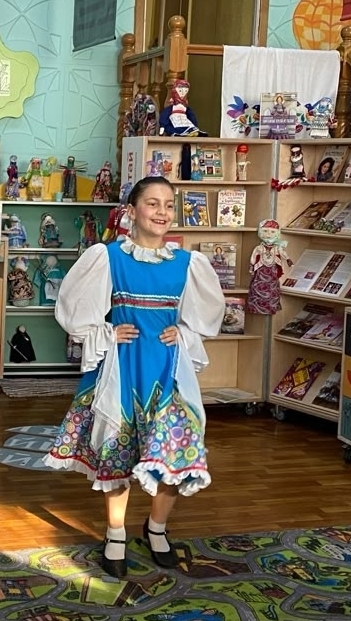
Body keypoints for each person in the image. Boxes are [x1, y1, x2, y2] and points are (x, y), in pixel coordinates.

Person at [44, 177, 225, 578]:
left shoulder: (188, 264)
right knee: (117, 452)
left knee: (176, 450)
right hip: (123, 366)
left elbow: (205, 318)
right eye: (152, 203)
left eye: (169, 204)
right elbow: (74, 310)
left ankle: (156, 527)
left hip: (167, 368)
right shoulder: (109, 257)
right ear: (132, 210)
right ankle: (115, 534)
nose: (162, 212)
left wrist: (185, 333)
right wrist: (107, 331)